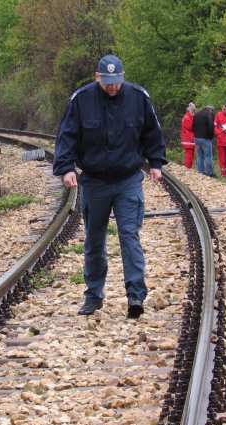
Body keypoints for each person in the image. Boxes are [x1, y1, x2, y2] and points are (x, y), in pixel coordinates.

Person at [53, 54, 167, 319]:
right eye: (107, 82)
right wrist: (66, 168)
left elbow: (152, 133)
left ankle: (135, 296)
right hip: (94, 182)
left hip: (128, 180)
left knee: (129, 235)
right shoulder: (81, 100)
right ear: (97, 77)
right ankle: (93, 296)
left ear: (123, 76)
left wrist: (156, 163)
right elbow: (66, 136)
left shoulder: (139, 98)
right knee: (94, 240)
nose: (112, 87)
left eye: (116, 82)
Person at [192, 104, 215, 177]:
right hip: (206, 138)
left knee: (199, 155)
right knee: (208, 156)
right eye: (212, 110)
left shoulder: (196, 114)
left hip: (197, 138)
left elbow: (192, 126)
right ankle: (210, 173)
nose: (212, 112)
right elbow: (211, 126)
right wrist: (211, 137)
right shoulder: (209, 114)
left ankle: (200, 172)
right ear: (210, 109)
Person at [180, 103, 196, 169]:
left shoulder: (187, 117)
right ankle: (188, 168)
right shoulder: (187, 118)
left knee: (189, 155)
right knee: (189, 155)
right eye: (192, 112)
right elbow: (191, 127)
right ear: (189, 111)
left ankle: (188, 167)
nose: (193, 113)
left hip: (188, 139)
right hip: (188, 139)